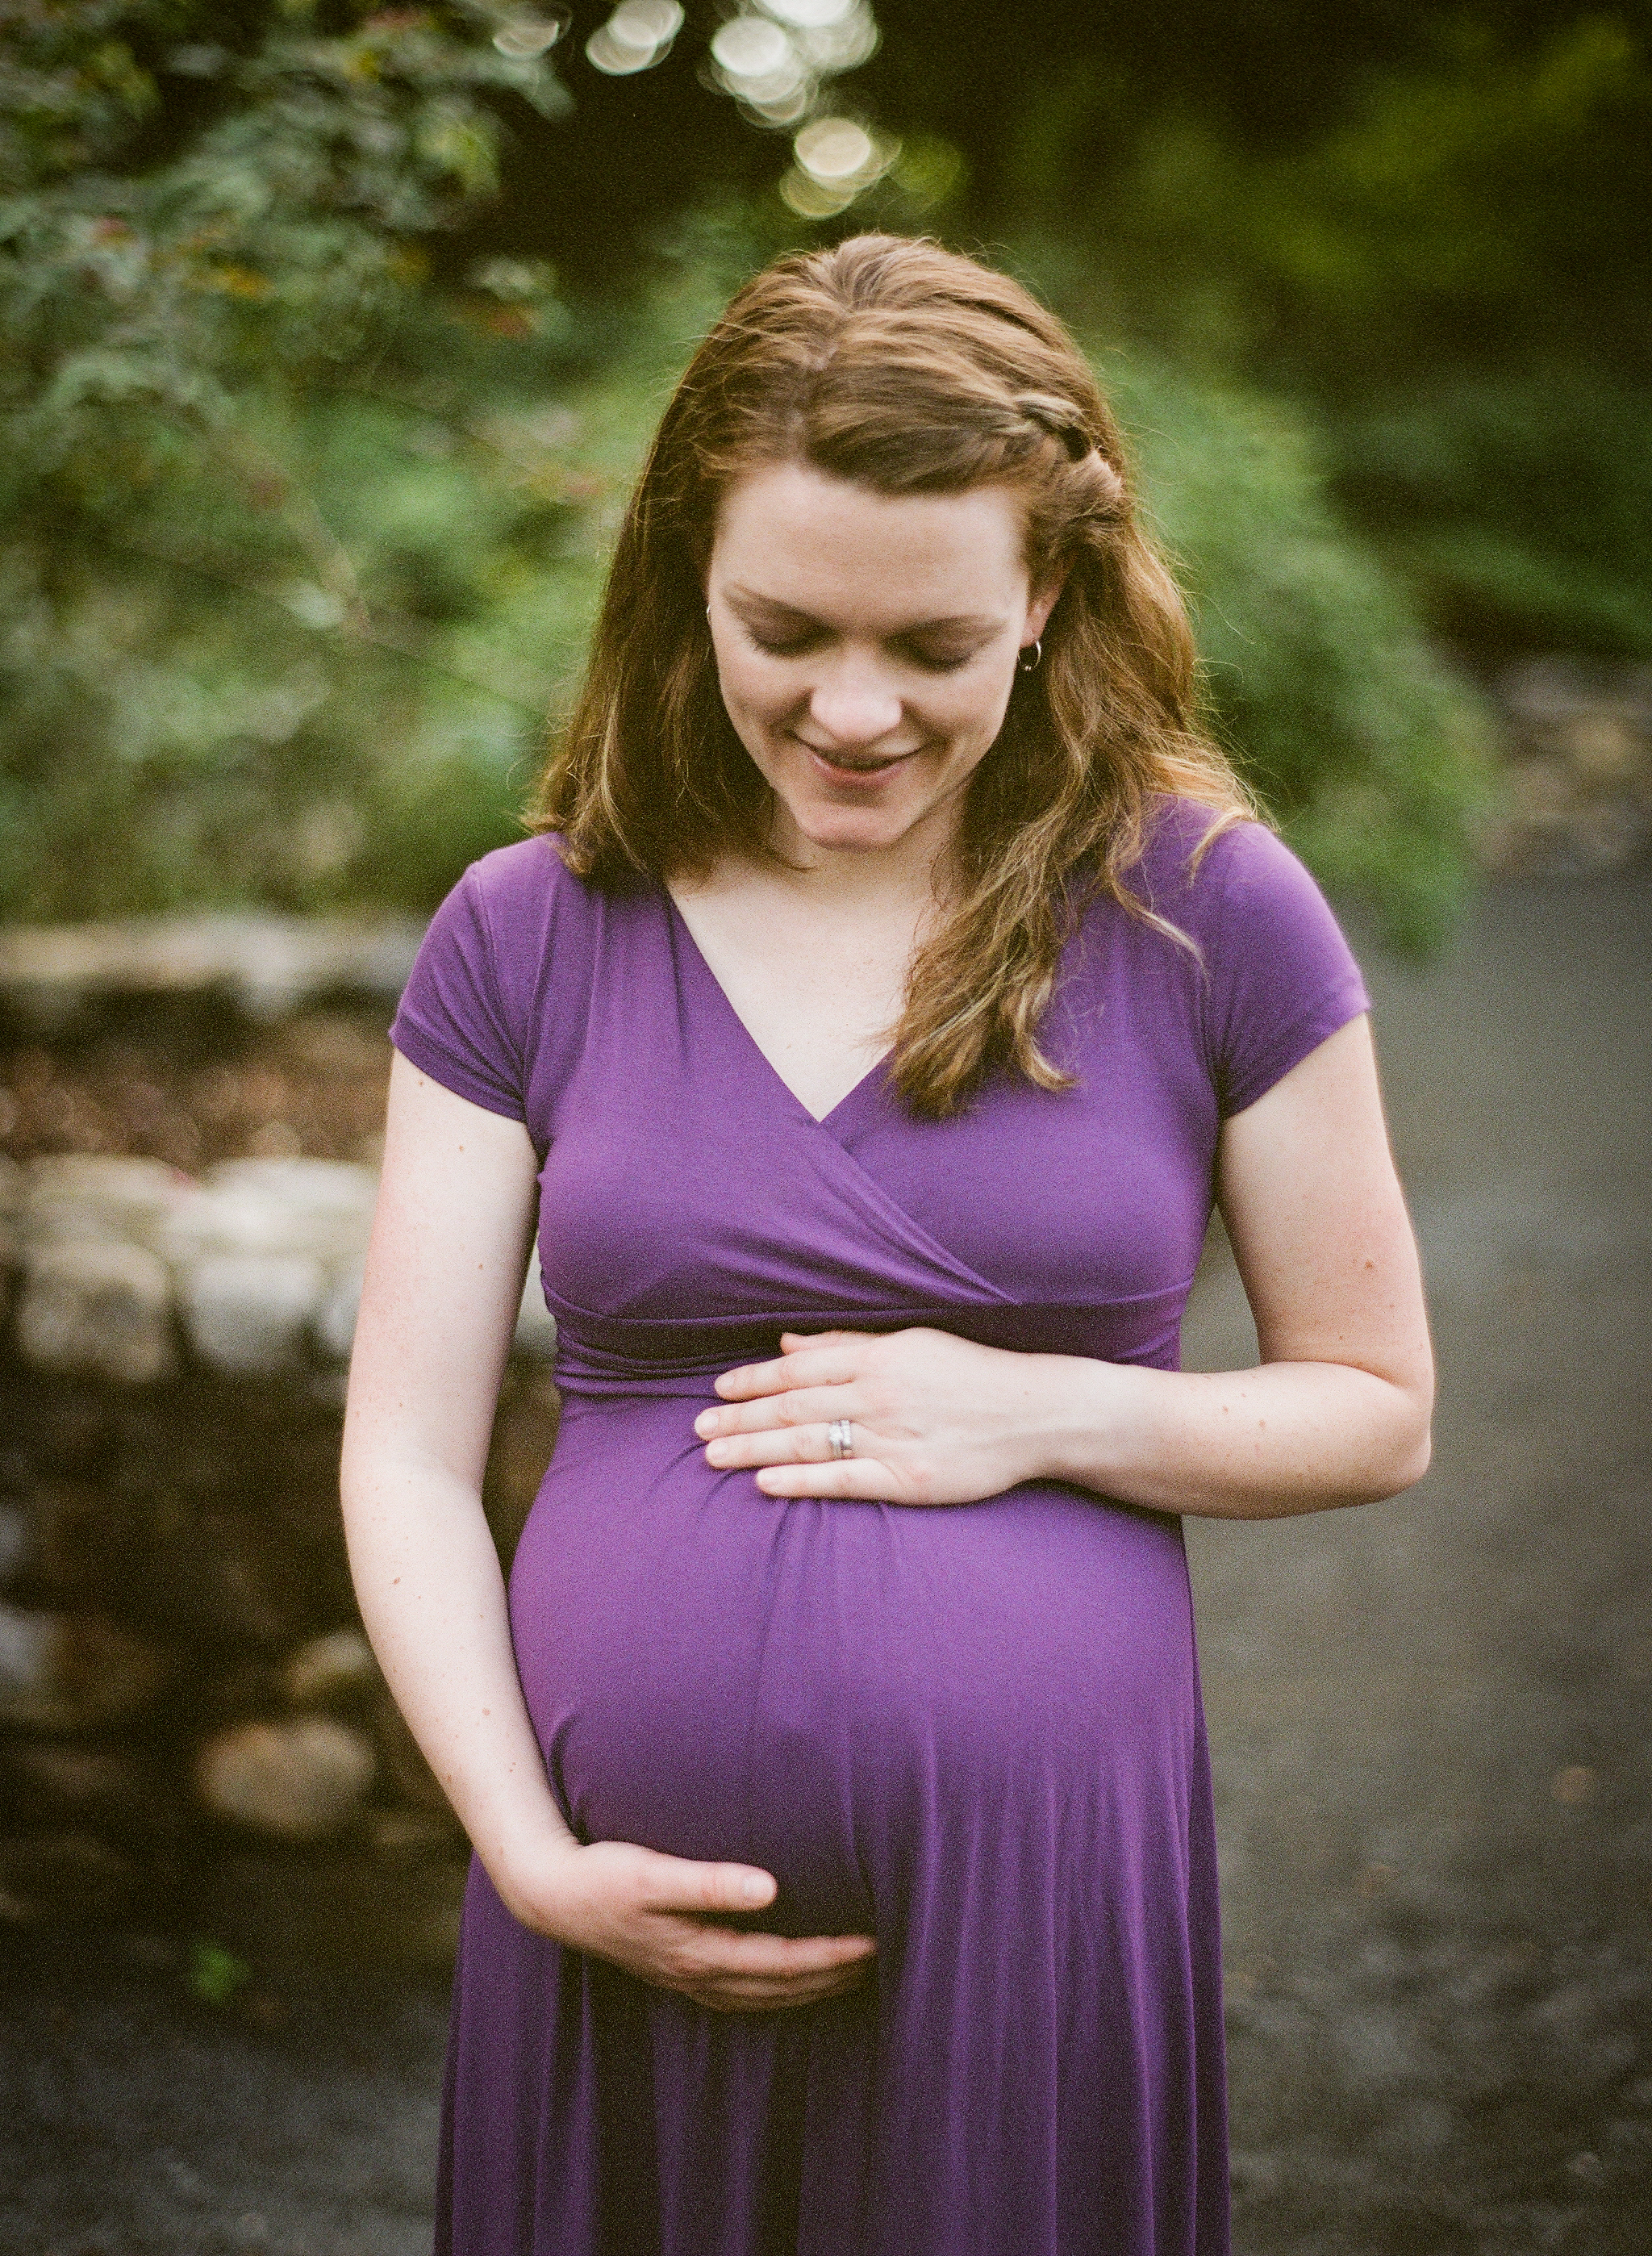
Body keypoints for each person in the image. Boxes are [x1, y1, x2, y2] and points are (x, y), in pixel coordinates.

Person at [340, 234, 1434, 2256]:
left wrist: (1036, 1409)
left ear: (1048, 599)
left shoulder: (1210, 909)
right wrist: (523, 1855)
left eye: (931, 645)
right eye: (786, 629)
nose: (852, 709)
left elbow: (1373, 1412)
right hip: (603, 1902)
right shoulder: (526, 928)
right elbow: (403, 1448)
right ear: (688, 580)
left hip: (1036, 1910)